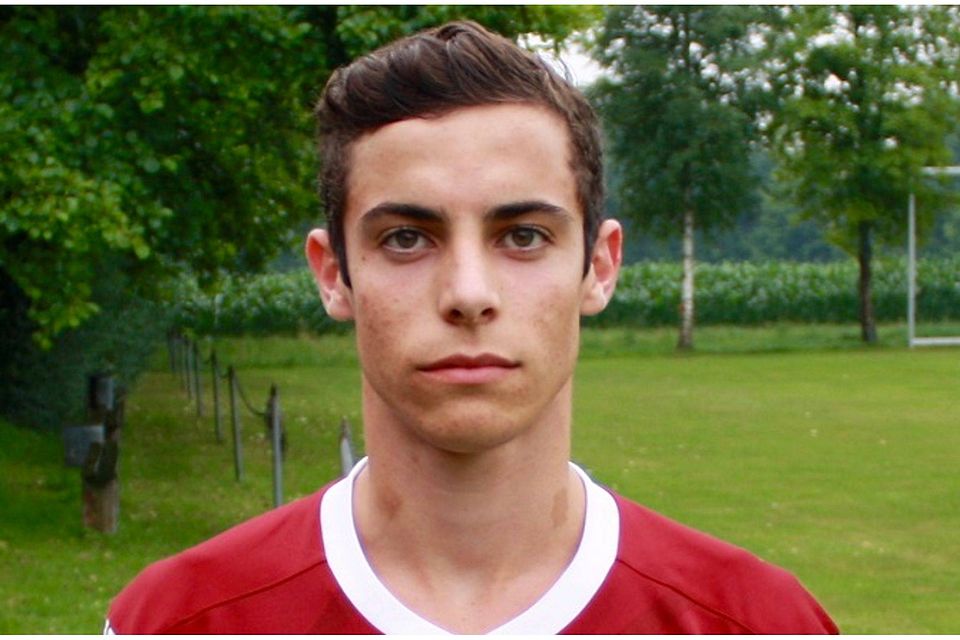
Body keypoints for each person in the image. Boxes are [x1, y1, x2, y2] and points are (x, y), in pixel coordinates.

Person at [105, 21, 838, 634]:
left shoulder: (758, 622)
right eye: (405, 238)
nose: (467, 294)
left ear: (599, 266)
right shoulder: (179, 620)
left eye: (522, 236)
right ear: (332, 274)